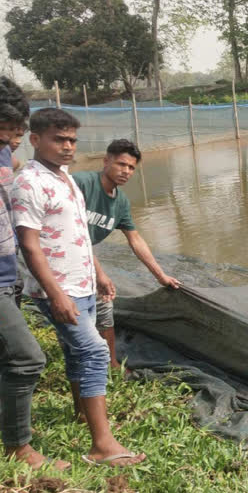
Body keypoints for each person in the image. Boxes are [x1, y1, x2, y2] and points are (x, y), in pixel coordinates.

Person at [11, 108, 145, 466]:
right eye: (59, 139)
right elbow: (29, 243)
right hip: (58, 288)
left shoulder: (65, 178)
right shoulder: (30, 182)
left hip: (82, 282)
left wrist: (98, 273)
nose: (68, 146)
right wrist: (56, 294)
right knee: (96, 353)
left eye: (72, 140)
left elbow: (79, 235)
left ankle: (83, 413)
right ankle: (102, 445)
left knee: (76, 354)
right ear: (35, 140)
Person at [0, 77, 68, 470]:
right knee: (27, 359)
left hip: (8, 274)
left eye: (18, 127)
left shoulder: (6, 156)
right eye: (9, 128)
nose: (16, 135)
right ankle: (18, 447)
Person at [73, 139, 180, 370]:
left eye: (131, 167)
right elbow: (74, 234)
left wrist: (161, 276)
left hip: (85, 261)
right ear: (106, 161)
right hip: (60, 258)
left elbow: (135, 239)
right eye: (121, 164)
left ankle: (111, 362)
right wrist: (100, 273)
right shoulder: (81, 184)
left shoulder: (120, 202)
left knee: (104, 305)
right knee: (78, 315)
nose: (126, 171)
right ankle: (86, 366)